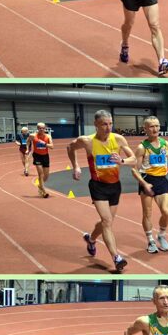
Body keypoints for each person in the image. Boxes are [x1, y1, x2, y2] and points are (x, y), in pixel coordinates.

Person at [67, 110, 136, 273]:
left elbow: (134, 159)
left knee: (107, 222)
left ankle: (91, 239)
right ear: (96, 125)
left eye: (110, 124)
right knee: (107, 221)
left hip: (115, 186)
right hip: (98, 186)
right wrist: (76, 166)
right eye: (104, 124)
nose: (108, 127)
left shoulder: (118, 139)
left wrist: (122, 160)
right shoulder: (87, 141)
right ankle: (116, 258)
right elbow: (70, 147)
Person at [131, 116, 168, 253]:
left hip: (162, 181)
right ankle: (150, 240)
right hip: (147, 180)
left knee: (166, 212)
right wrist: (144, 183)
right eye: (151, 126)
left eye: (157, 126)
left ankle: (161, 235)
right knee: (147, 213)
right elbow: (134, 170)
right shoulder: (142, 147)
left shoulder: (166, 144)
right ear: (145, 129)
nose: (155, 129)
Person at [27, 123, 53, 198]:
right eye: (40, 128)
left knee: (46, 176)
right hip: (37, 156)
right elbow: (28, 141)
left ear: (45, 128)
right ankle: (43, 191)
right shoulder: (33, 136)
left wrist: (44, 144)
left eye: (43, 128)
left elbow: (52, 146)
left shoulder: (48, 136)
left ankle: (40, 186)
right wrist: (27, 149)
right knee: (40, 174)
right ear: (37, 128)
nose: (41, 129)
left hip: (45, 156)